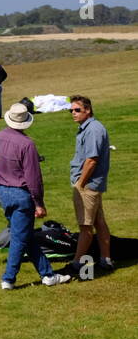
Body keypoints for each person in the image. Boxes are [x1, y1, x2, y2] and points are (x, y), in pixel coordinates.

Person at [0, 102, 71, 290]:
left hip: (3, 191)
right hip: (20, 195)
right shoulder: (27, 144)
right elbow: (33, 178)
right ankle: (9, 278)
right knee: (20, 238)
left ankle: (47, 275)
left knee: (24, 234)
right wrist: (39, 203)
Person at [68, 95, 114, 274]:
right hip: (92, 184)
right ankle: (106, 259)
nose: (73, 113)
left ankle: (77, 263)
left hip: (88, 185)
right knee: (99, 222)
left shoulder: (93, 129)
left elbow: (92, 160)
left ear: (88, 110)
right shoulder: (87, 127)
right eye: (71, 110)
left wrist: (80, 183)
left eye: (77, 110)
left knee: (85, 226)